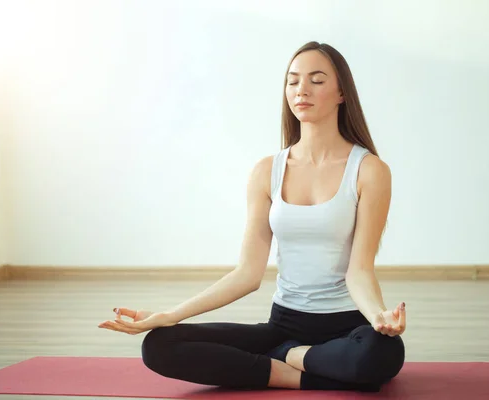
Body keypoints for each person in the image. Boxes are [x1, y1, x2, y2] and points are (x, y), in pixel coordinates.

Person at [98, 41, 406, 392]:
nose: (301, 89)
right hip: (282, 328)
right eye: (293, 81)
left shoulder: (368, 170)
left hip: (346, 329)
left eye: (317, 80)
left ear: (341, 93)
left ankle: (293, 358)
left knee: (383, 352)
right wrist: (171, 314)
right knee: (159, 345)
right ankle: (298, 366)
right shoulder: (267, 171)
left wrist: (379, 316)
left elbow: (360, 270)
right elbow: (247, 273)